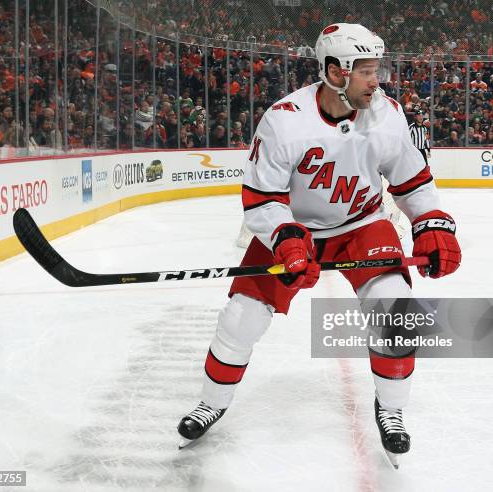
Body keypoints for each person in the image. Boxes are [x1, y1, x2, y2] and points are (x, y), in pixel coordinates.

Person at [177, 23, 461, 468]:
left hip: (362, 226)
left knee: (396, 313)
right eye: (365, 71)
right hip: (295, 230)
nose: (376, 80)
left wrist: (431, 223)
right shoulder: (284, 120)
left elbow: (413, 182)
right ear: (334, 71)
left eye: (376, 70)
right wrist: (285, 238)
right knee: (240, 320)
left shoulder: (388, 115)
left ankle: (391, 410)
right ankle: (211, 402)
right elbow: (261, 199)